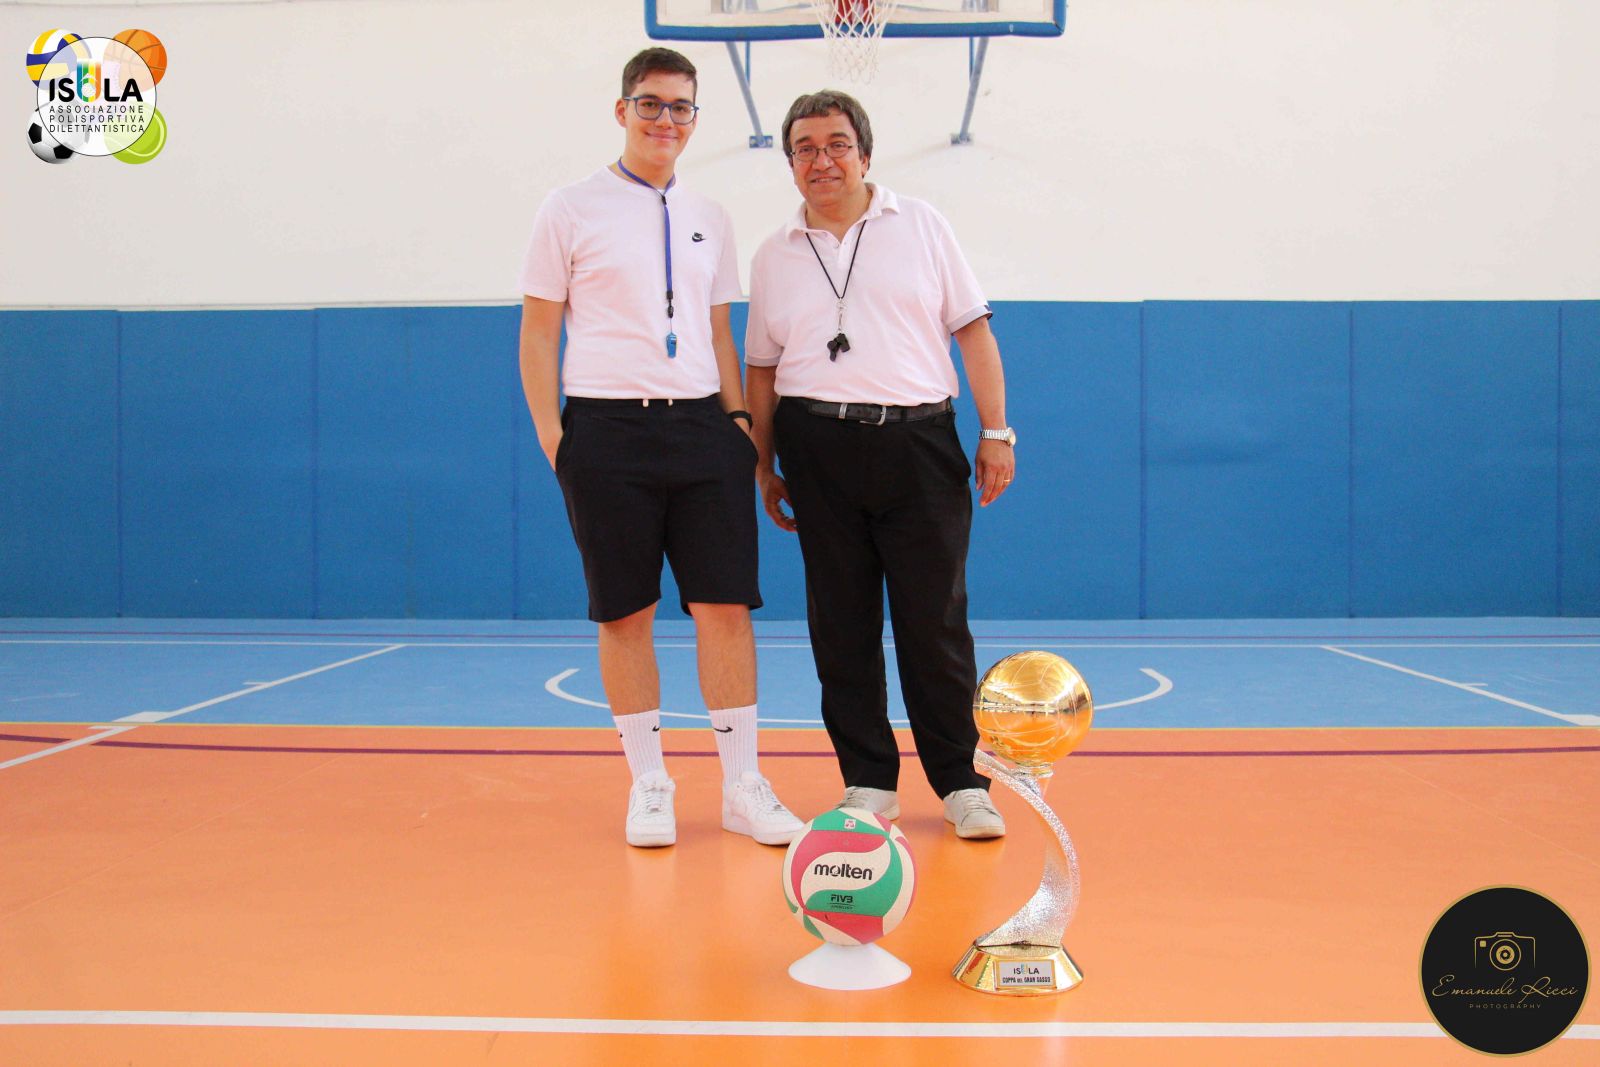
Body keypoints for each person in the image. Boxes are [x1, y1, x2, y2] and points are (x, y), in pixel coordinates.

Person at [518, 48, 803, 850]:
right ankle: (649, 784)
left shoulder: (712, 214)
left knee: (725, 606)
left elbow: (719, 331)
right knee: (625, 611)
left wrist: (740, 425)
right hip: (605, 431)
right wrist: (556, 438)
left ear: (694, 119)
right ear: (623, 110)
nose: (665, 119)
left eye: (680, 106)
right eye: (650, 103)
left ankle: (742, 785)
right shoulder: (568, 208)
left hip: (705, 429)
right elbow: (538, 332)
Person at [744, 90, 1017, 839]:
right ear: (790, 163)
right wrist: (763, 463)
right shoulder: (773, 253)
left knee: (935, 622)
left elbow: (974, 333)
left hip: (919, 443)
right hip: (816, 446)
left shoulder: (921, 225)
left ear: (864, 154)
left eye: (837, 144)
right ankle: (868, 780)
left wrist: (998, 431)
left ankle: (962, 782)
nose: (822, 159)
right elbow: (761, 369)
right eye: (805, 147)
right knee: (841, 624)